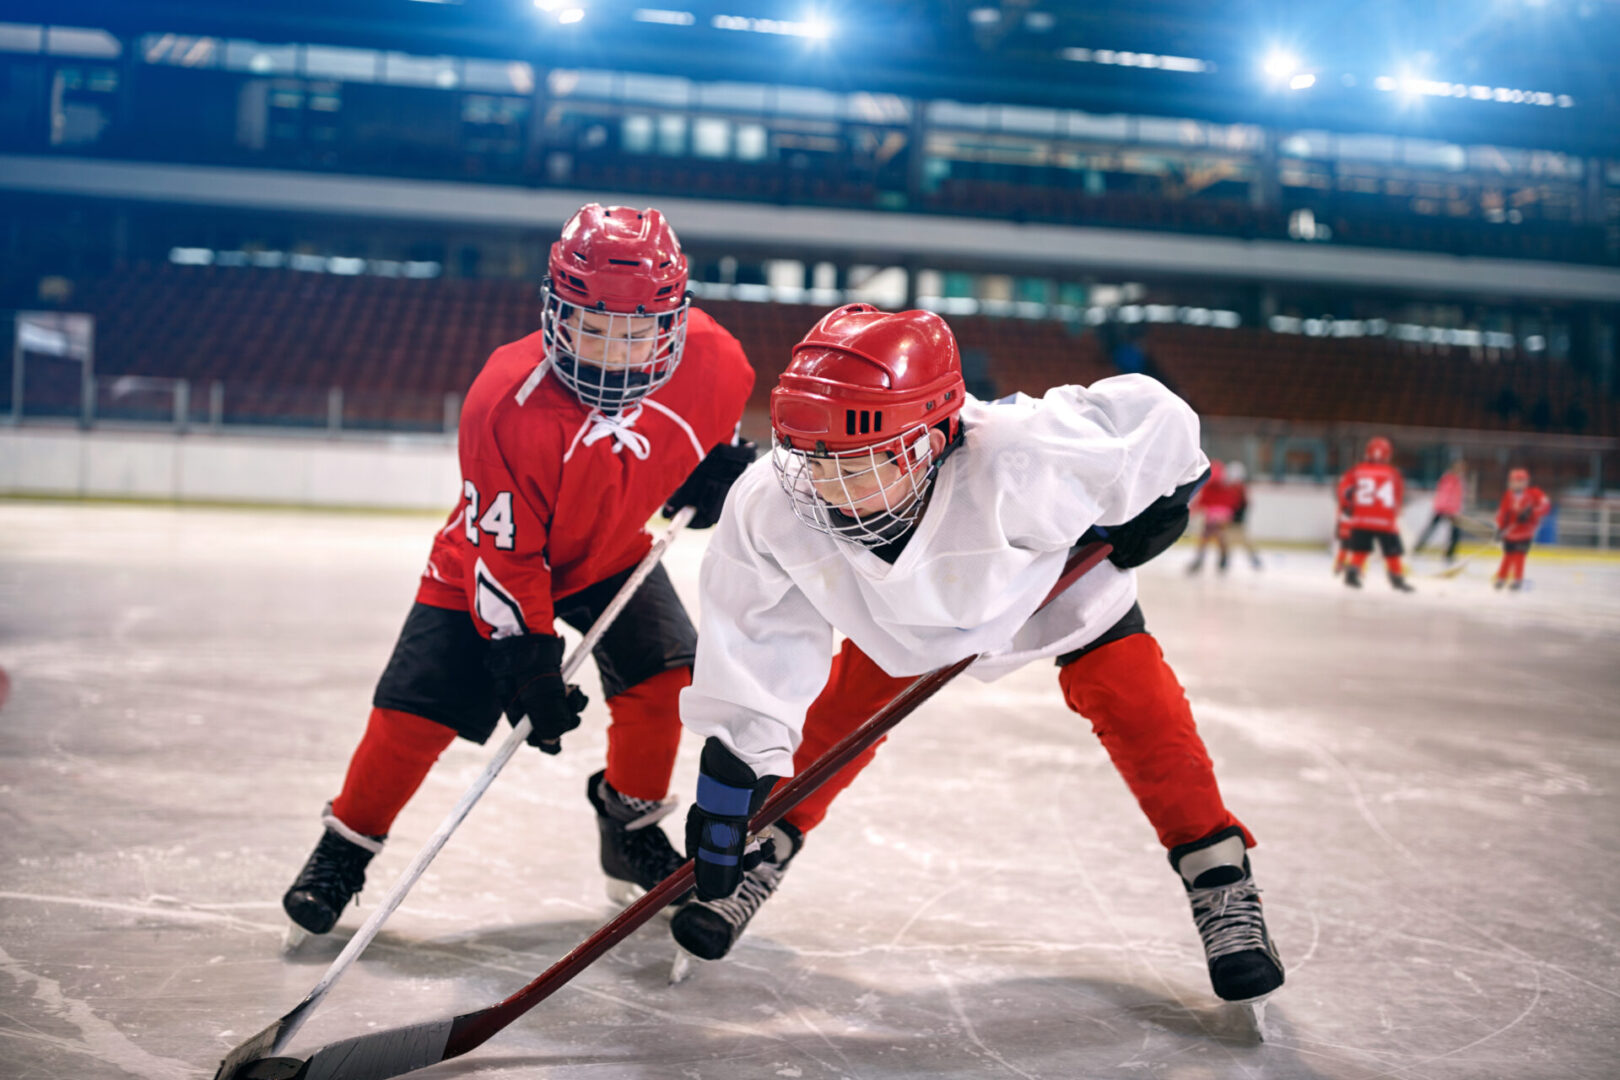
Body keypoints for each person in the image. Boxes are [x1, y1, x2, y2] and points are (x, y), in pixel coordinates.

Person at [673, 304, 1284, 1006]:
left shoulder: (1027, 453)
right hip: (901, 617)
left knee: (1138, 703)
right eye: (813, 458)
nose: (828, 488)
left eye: (859, 463)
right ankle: (766, 846)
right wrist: (732, 786)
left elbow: (1159, 419)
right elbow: (756, 640)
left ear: (930, 440)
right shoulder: (775, 500)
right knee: (838, 715)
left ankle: (1218, 873)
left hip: (1046, 585)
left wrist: (1167, 497)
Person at [280, 204, 756, 936]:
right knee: (415, 714)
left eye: (633, 333)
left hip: (609, 552)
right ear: (556, 313)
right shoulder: (505, 399)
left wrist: (708, 473)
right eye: (591, 328)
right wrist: (526, 657)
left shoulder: (720, 365)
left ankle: (628, 827)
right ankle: (344, 845)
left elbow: (704, 439)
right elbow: (506, 552)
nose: (611, 354)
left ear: (672, 323)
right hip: (487, 561)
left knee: (666, 679)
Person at [1335, 436, 1414, 592]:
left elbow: (1344, 492)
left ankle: (1352, 573)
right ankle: (1397, 578)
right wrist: (1396, 512)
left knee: (1360, 549)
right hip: (1385, 521)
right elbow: (1397, 497)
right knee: (1392, 552)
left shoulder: (1357, 470)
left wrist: (1348, 506)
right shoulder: (1393, 473)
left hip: (1361, 518)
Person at [1493, 468, 1551, 591]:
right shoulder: (1508, 495)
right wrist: (1500, 528)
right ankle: (1501, 578)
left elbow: (1545, 505)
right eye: (1515, 481)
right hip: (1510, 532)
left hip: (1526, 532)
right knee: (1508, 555)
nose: (1518, 483)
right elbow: (1503, 513)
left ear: (1526, 482)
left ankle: (1517, 580)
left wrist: (1532, 513)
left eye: (1521, 481)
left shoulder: (1534, 493)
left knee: (1519, 555)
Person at [1185, 460, 1239, 575]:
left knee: (1209, 538)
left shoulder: (1217, 488)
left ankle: (1203, 561)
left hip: (1216, 517)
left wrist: (1193, 510)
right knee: (1218, 539)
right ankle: (1221, 561)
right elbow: (1232, 502)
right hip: (1219, 516)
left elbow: (1202, 502)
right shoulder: (1223, 488)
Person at [1414, 459, 1466, 564]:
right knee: (1431, 529)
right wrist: (1444, 508)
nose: (1460, 470)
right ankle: (1418, 548)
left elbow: (1459, 497)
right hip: (1442, 509)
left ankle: (1449, 555)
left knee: (1455, 534)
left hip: (1453, 511)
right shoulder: (1447, 478)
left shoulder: (1460, 481)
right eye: (1458, 467)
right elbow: (1444, 494)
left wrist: (1457, 511)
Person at [1224, 461, 1263, 570]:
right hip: (1234, 518)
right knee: (1230, 540)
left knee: (1236, 540)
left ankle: (1226, 561)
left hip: (1236, 518)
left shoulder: (1239, 488)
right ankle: (1226, 561)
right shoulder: (1237, 488)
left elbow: (1244, 504)